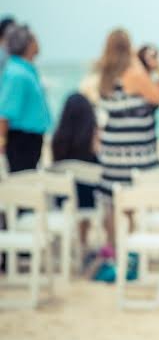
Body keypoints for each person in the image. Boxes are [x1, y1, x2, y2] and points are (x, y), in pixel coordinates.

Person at [95, 29, 159, 195]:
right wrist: (158, 69)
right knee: (139, 196)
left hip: (112, 153)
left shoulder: (104, 75)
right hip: (137, 152)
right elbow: (158, 97)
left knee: (117, 198)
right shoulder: (134, 73)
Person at [51, 92, 102, 246]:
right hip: (87, 202)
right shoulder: (89, 143)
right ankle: (83, 240)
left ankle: (75, 242)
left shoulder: (58, 142)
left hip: (63, 200)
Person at [0, 24, 51, 172]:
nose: (37, 42)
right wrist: (1, 142)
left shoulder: (25, 70)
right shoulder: (17, 74)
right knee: (23, 180)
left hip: (30, 139)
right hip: (21, 140)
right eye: (34, 39)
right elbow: (4, 113)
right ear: (27, 44)